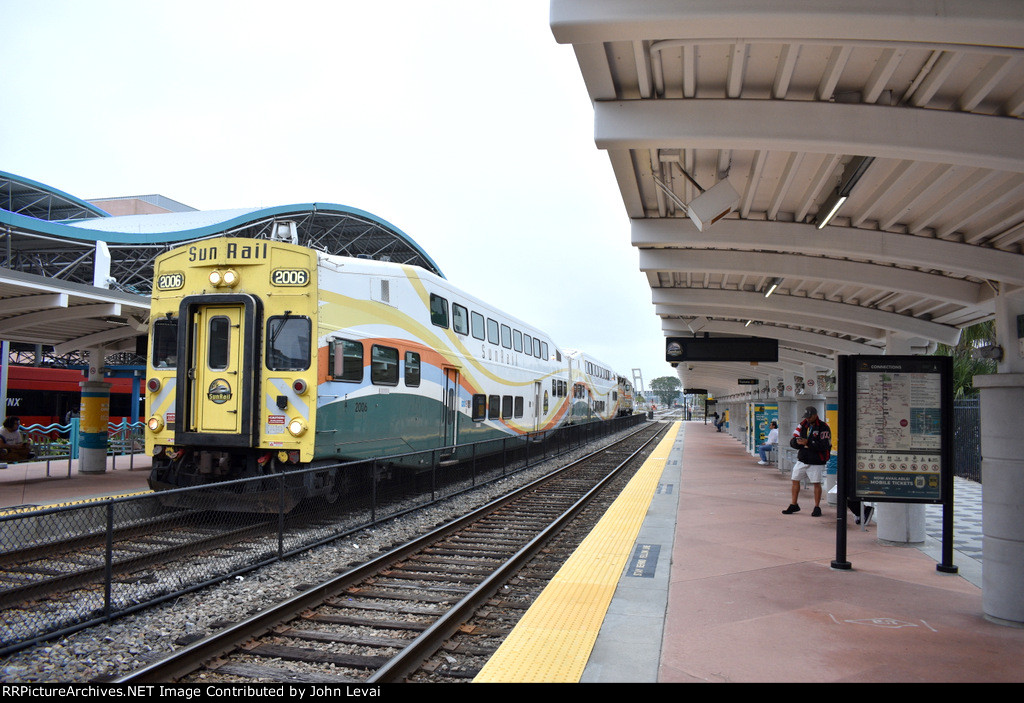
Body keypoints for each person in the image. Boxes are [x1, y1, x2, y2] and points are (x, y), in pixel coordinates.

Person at [782, 406, 831, 517]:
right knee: (795, 479)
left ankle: (817, 507)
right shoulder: (803, 425)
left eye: (809, 417)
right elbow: (793, 440)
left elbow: (824, 445)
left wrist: (808, 443)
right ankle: (794, 504)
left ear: (815, 415)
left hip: (816, 461)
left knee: (816, 483)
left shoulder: (823, 427)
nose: (807, 419)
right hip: (803, 459)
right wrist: (797, 442)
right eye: (806, 417)